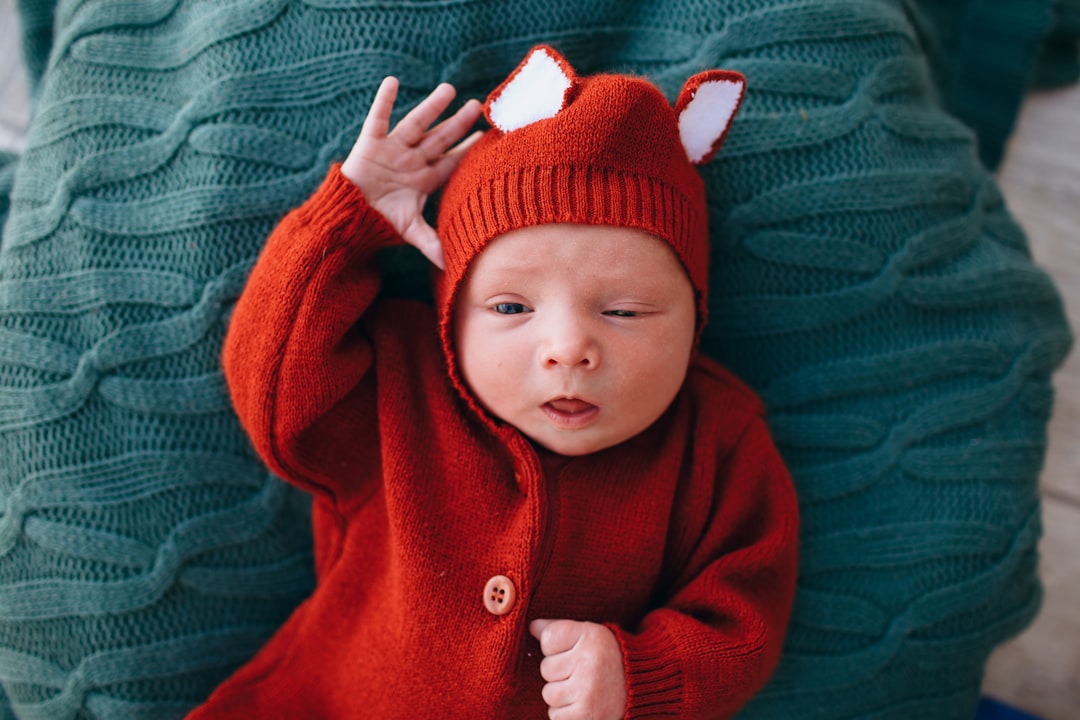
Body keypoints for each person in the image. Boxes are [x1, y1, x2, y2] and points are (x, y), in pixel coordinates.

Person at [189, 45, 799, 720]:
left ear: (695, 318)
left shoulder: (716, 439)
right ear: (451, 312)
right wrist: (342, 225)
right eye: (511, 308)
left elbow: (745, 620)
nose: (568, 348)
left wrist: (638, 677)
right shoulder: (399, 385)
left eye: (624, 311)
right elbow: (272, 385)